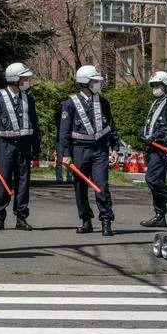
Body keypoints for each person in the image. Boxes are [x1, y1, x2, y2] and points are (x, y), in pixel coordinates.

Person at [58, 65, 120, 236]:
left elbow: (111, 126)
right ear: (85, 82)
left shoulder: (104, 102)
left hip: (100, 150)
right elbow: (64, 132)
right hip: (79, 150)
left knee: (101, 185)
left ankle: (106, 220)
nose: (98, 84)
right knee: (80, 186)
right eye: (95, 81)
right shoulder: (70, 103)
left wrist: (115, 148)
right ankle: (86, 220)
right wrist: (66, 154)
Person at [0, 62, 39, 231]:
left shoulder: (28, 98)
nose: (27, 80)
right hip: (4, 146)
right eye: (24, 78)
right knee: (3, 181)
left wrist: (36, 146)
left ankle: (21, 218)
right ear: (14, 78)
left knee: (23, 182)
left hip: (24, 146)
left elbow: (34, 124)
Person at [139, 71, 167, 228]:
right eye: (153, 85)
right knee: (156, 181)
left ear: (166, 86)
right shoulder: (156, 102)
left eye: (158, 85)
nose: (155, 88)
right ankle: (160, 214)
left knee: (152, 179)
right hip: (152, 148)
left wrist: (156, 136)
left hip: (161, 148)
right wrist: (143, 133)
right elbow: (151, 123)